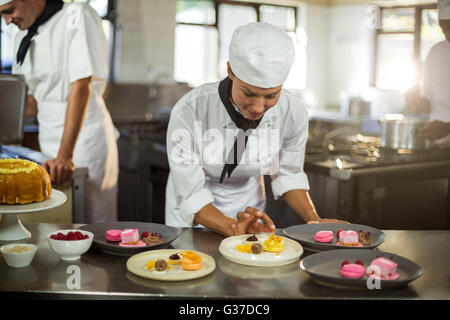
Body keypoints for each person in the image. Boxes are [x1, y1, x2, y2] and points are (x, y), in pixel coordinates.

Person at [165, 22, 346, 237]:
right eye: (249, 94)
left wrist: (313, 219)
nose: (259, 108)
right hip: (193, 212)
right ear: (230, 70)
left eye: (271, 96)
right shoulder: (190, 109)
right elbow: (190, 193)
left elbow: (288, 173)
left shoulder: (294, 110)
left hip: (248, 209)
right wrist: (232, 227)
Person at [0, 0, 119, 223]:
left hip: (83, 140)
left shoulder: (75, 15)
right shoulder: (21, 37)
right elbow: (35, 103)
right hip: (50, 140)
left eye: (9, 10)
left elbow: (81, 86)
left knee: (92, 222)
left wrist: (65, 154)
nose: (7, 20)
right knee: (59, 222)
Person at [404, 0, 450, 142]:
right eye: (443, 28)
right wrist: (415, 101)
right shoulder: (436, 52)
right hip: (438, 145)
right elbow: (428, 101)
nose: (447, 34)